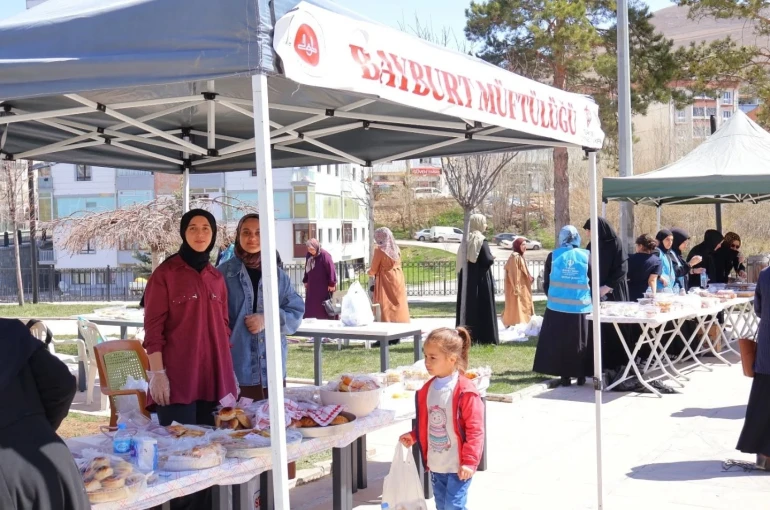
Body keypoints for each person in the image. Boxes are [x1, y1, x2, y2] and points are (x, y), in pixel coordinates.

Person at [218, 213, 304, 479]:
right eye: (246, 232)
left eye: (258, 232)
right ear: (238, 236)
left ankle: (273, 495)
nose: (252, 238)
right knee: (242, 436)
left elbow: (296, 310)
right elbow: (215, 317)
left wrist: (268, 318)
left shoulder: (276, 275)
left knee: (274, 435)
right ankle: (246, 494)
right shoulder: (224, 273)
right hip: (239, 369)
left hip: (273, 368)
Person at [143, 209, 237, 426]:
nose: (200, 234)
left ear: (213, 234)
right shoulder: (165, 274)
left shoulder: (216, 278)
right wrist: (157, 374)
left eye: (206, 228)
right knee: (179, 452)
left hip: (214, 379)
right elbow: (153, 330)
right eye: (192, 228)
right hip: (177, 381)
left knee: (213, 451)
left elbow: (223, 327)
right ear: (183, 233)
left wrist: (229, 373)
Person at [0, 319, 89, 510]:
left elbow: (62, 384)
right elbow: (62, 385)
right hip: (46, 462)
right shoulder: (10, 331)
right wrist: (37, 428)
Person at [398, 327, 484, 510]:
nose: (426, 362)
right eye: (426, 356)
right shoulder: (426, 389)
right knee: (442, 505)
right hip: (437, 464)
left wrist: (469, 461)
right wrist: (415, 436)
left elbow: (475, 430)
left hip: (458, 465)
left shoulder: (465, 391)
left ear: (452, 359)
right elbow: (429, 422)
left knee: (453, 506)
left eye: (433, 357)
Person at [533, 225, 592, 387]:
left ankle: (564, 376)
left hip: (556, 308)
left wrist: (553, 296)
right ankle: (581, 375)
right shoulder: (586, 256)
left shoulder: (553, 256)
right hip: (581, 308)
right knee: (580, 342)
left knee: (561, 343)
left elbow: (546, 282)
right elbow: (593, 281)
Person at [583, 217, 629, 370]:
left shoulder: (616, 243)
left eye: (589, 230)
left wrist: (608, 286)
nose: (588, 234)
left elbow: (622, 268)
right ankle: (599, 363)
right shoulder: (592, 245)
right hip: (595, 291)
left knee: (615, 328)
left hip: (614, 290)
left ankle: (617, 364)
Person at [736, 266, 770, 468]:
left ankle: (764, 456)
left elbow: (759, 309)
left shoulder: (766, 274)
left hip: (768, 349)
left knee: (763, 402)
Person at [456, 214, 499, 345]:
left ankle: (468, 337)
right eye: (484, 222)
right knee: (482, 307)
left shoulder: (466, 239)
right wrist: (492, 257)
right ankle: (484, 337)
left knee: (468, 306)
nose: (486, 225)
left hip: (467, 278)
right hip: (480, 280)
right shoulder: (480, 239)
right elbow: (486, 259)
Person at [369, 227, 410, 324]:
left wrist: (369, 272)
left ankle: (386, 323)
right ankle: (401, 321)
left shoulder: (380, 250)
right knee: (398, 302)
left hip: (385, 279)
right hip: (398, 277)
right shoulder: (396, 248)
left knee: (385, 303)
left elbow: (374, 269)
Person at [502, 237, 535, 327]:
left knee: (524, 304)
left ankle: (524, 321)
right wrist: (516, 287)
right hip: (517, 287)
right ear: (517, 246)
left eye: (525, 244)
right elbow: (513, 273)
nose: (525, 246)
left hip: (523, 286)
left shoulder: (520, 256)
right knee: (516, 305)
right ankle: (514, 322)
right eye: (523, 244)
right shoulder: (515, 257)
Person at [302, 238, 337, 320]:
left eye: (312, 249)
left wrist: (332, 283)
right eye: (309, 249)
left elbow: (331, 269)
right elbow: (307, 268)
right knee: (312, 306)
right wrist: (305, 280)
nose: (310, 251)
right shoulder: (309, 255)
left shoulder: (325, 255)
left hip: (323, 286)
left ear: (317, 247)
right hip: (312, 286)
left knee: (324, 306)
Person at [627, 234, 662, 301]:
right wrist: (653, 293)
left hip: (628, 294)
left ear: (640, 246)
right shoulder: (656, 261)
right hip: (644, 296)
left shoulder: (628, 258)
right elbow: (652, 280)